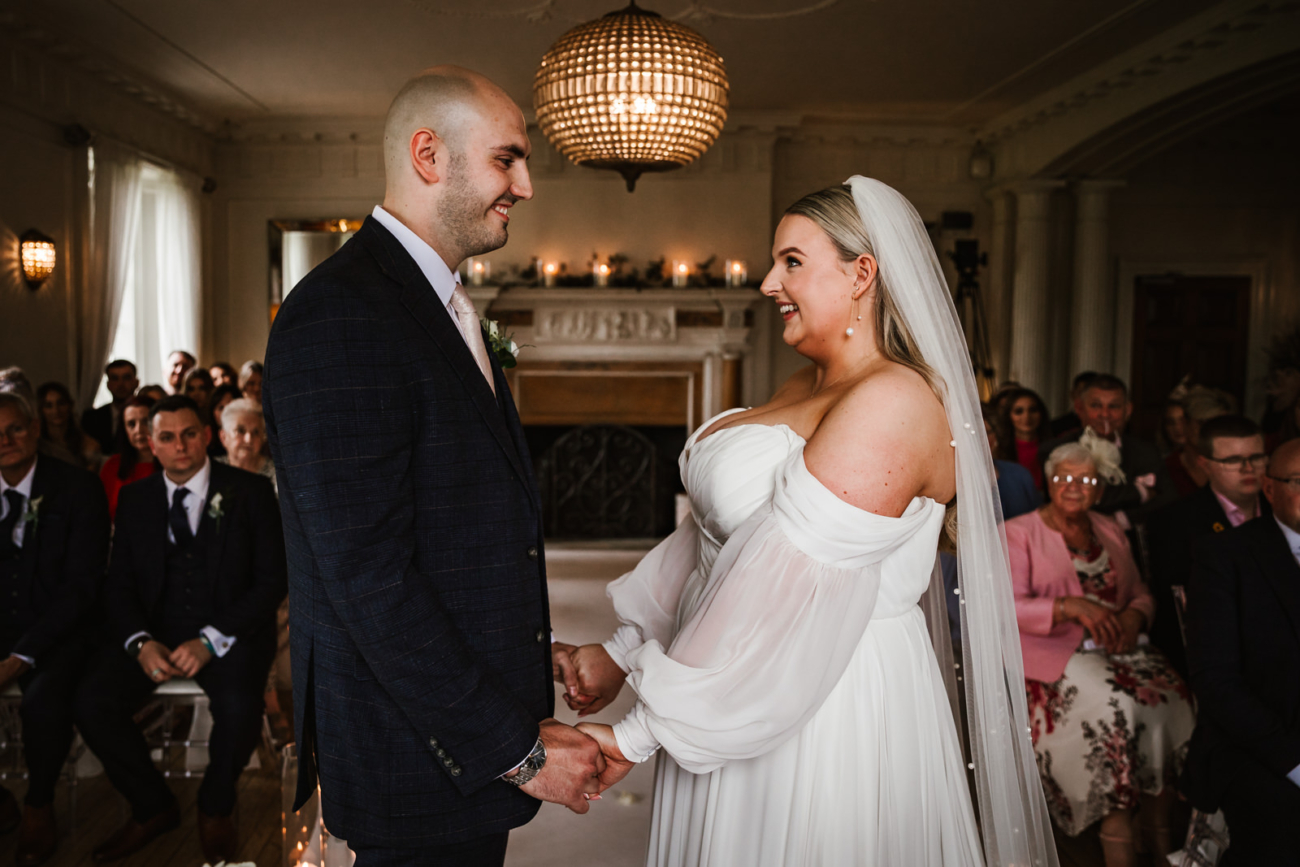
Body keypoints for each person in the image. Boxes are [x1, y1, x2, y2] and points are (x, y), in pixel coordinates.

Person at [558, 179, 1056, 867]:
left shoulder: (895, 401)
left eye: (791, 260)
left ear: (861, 273)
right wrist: (621, 647)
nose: (767, 283)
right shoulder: (807, 384)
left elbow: (775, 579)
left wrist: (640, 732)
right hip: (735, 679)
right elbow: (715, 539)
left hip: (824, 700)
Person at [263, 66, 606, 867]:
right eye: (506, 159)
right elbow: (370, 577)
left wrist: (522, 648)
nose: (524, 185)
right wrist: (517, 751)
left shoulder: (438, 299)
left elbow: (452, 519)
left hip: (450, 732)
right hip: (407, 750)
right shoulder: (342, 313)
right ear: (429, 155)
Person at [74, 396, 286, 864]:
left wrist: (212, 639)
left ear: (208, 436)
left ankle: (215, 807)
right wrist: (140, 642)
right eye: (166, 437)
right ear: (151, 444)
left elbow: (272, 581)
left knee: (239, 707)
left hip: (230, 634)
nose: (180, 446)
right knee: (91, 700)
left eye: (189, 434)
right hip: (154, 631)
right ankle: (153, 807)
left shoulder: (250, 492)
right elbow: (120, 584)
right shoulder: (135, 499)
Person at [1008, 438, 1194, 867]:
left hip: (1122, 650)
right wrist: (1068, 606)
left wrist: (1134, 617)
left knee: (1177, 697)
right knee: (1117, 707)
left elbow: (1142, 593)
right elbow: (1002, 605)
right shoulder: (1018, 533)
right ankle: (1117, 828)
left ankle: (1159, 821)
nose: (1075, 486)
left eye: (1087, 479)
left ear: (1100, 487)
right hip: (1053, 659)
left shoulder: (1109, 527)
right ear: (1048, 481)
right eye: (1065, 477)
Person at [0, 391, 110, 865]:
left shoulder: (76, 488)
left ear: (36, 429)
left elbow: (82, 589)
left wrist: (22, 655)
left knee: (44, 700)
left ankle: (38, 803)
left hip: (59, 632)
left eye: (15, 429)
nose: (4, 441)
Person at [1181, 439, 1300, 865]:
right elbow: (1217, 682)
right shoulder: (1224, 556)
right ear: (1270, 490)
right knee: (1281, 829)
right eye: (1299, 482)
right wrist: (1294, 763)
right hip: (1260, 745)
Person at [1146, 415, 1268, 679]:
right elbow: (1175, 610)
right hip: (1212, 653)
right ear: (1205, 464)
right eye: (1233, 460)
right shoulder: (1174, 522)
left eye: (1257, 457)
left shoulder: (1282, 511)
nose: (1248, 468)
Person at [1041, 374, 1175, 529]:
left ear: (1128, 410)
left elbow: (1169, 499)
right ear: (1079, 408)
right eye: (1096, 406)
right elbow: (1068, 501)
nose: (1105, 414)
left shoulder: (1145, 451)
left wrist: (1122, 518)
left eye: (1114, 406)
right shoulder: (1054, 450)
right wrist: (1141, 492)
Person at [1165, 386, 1236, 497]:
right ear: (1185, 423)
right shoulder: (1168, 468)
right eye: (1203, 423)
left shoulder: (1234, 468)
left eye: (1219, 426)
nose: (1211, 431)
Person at [99, 395, 160, 522]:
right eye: (131, 424)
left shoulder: (172, 462)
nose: (139, 430)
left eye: (145, 422)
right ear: (124, 429)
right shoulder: (113, 465)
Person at [35, 382, 102, 471]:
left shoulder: (89, 446)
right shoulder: (36, 445)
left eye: (61, 403)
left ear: (70, 405)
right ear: (41, 410)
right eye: (48, 406)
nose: (56, 411)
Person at [216, 398, 276, 496]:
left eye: (256, 432)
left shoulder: (276, 476)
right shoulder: (212, 471)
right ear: (223, 437)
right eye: (240, 431)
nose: (248, 439)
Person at [998, 386, 1051, 491]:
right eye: (1018, 411)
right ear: (1009, 415)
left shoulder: (1053, 447)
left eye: (1033, 410)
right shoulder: (999, 450)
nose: (1027, 416)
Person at [82, 359, 139, 454]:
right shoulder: (92, 418)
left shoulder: (149, 414)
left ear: (136, 382)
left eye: (126, 377)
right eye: (115, 378)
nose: (120, 384)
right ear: (108, 384)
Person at [1049, 371, 1097, 437]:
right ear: (1072, 394)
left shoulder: (1107, 424)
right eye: (1081, 393)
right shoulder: (1055, 426)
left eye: (1091, 394)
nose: (1085, 398)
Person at [206, 384, 242, 459]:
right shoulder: (206, 445)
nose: (226, 412)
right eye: (221, 408)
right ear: (213, 413)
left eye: (230, 406)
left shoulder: (249, 439)